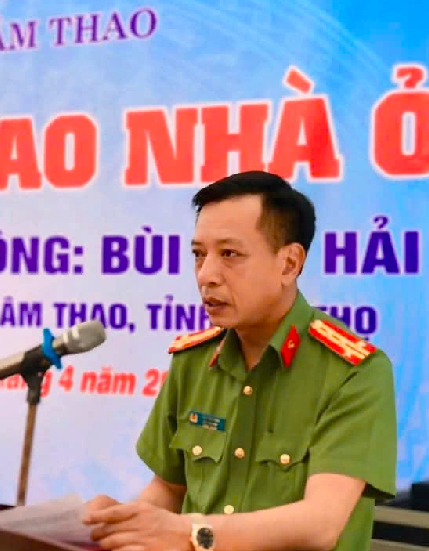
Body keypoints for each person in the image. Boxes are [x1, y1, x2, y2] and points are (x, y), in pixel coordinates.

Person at [82, 170, 397, 551]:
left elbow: (321, 524)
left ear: (289, 264)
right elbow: (169, 489)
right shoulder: (193, 361)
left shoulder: (354, 372)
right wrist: (122, 523)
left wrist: (188, 534)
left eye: (230, 255)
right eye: (199, 255)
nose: (206, 275)